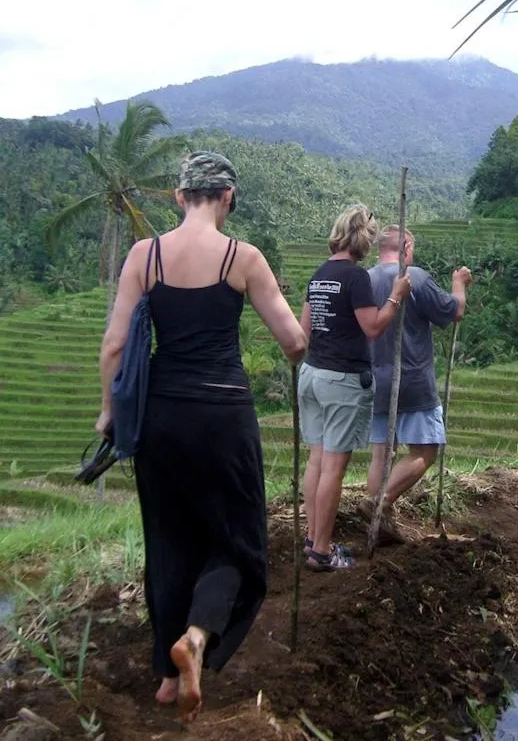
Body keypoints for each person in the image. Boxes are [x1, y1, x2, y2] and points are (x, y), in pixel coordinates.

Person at [97, 151, 306, 723]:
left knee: (168, 539)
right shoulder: (245, 257)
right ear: (229, 199)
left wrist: (107, 413)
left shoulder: (146, 255)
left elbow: (114, 346)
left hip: (161, 416)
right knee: (237, 539)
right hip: (224, 416)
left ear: (178, 196)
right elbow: (292, 342)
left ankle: (166, 681)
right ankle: (196, 636)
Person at [298, 204, 411, 572]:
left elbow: (304, 331)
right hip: (343, 379)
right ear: (364, 238)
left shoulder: (319, 275)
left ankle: (313, 538)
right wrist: (396, 295)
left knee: (316, 460)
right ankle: (322, 550)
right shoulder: (355, 277)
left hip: (312, 373)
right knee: (334, 466)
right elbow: (373, 327)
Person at [363, 226, 472, 538]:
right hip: (412, 379)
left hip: (375, 380)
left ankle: (378, 525)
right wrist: (458, 282)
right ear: (406, 247)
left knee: (381, 454)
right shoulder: (416, 278)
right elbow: (455, 311)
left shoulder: (365, 280)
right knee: (426, 450)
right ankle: (379, 503)